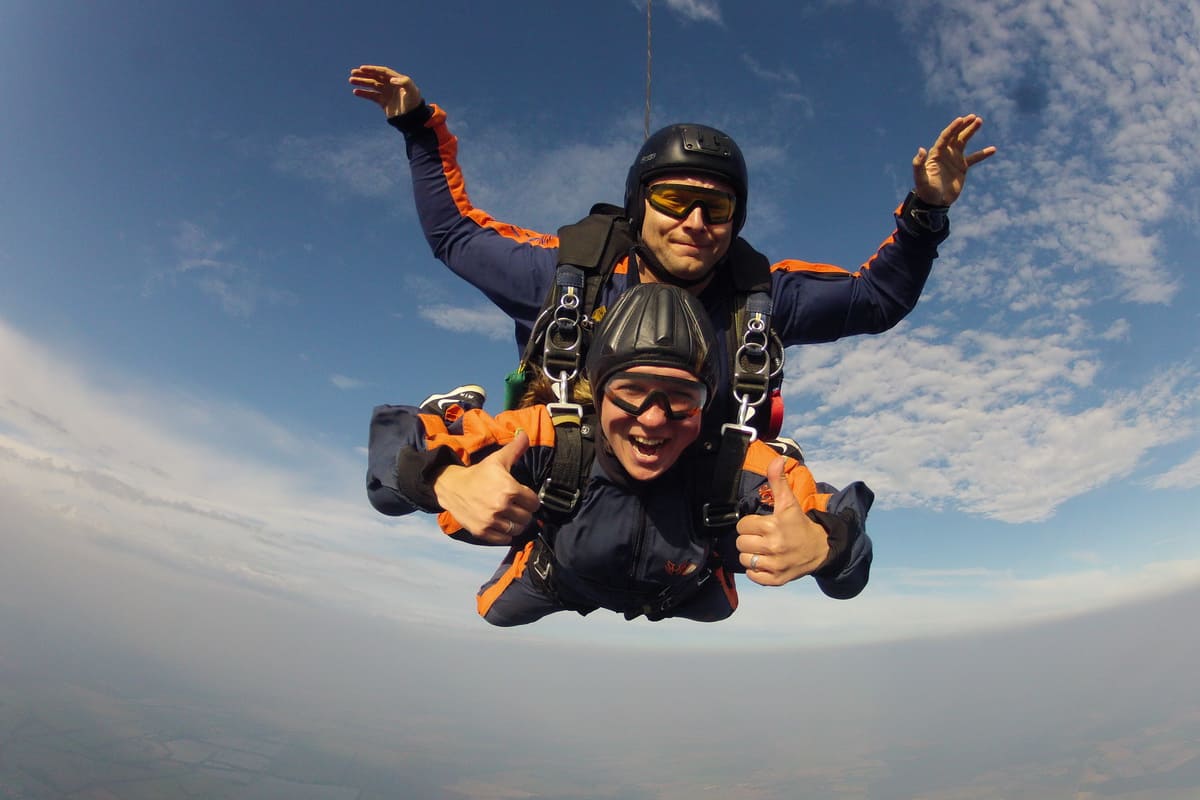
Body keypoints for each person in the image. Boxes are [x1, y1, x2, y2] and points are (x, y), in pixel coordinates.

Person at [350, 64, 993, 535]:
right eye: (671, 200)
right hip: (566, 461)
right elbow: (455, 236)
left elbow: (877, 300)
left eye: (716, 207)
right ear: (638, 206)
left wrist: (925, 214)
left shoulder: (760, 299)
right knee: (474, 506)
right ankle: (456, 423)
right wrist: (417, 127)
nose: (694, 222)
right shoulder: (569, 277)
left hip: (688, 479)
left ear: (735, 222)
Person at [368, 283, 873, 625]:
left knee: (721, 602)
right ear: (599, 392)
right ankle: (464, 421)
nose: (653, 418)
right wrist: (444, 481)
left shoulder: (740, 467)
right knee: (489, 597)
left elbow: (845, 538)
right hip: (559, 576)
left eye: (681, 398)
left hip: (677, 586)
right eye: (632, 391)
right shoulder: (548, 437)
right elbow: (395, 450)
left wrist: (824, 545)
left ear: (707, 405)